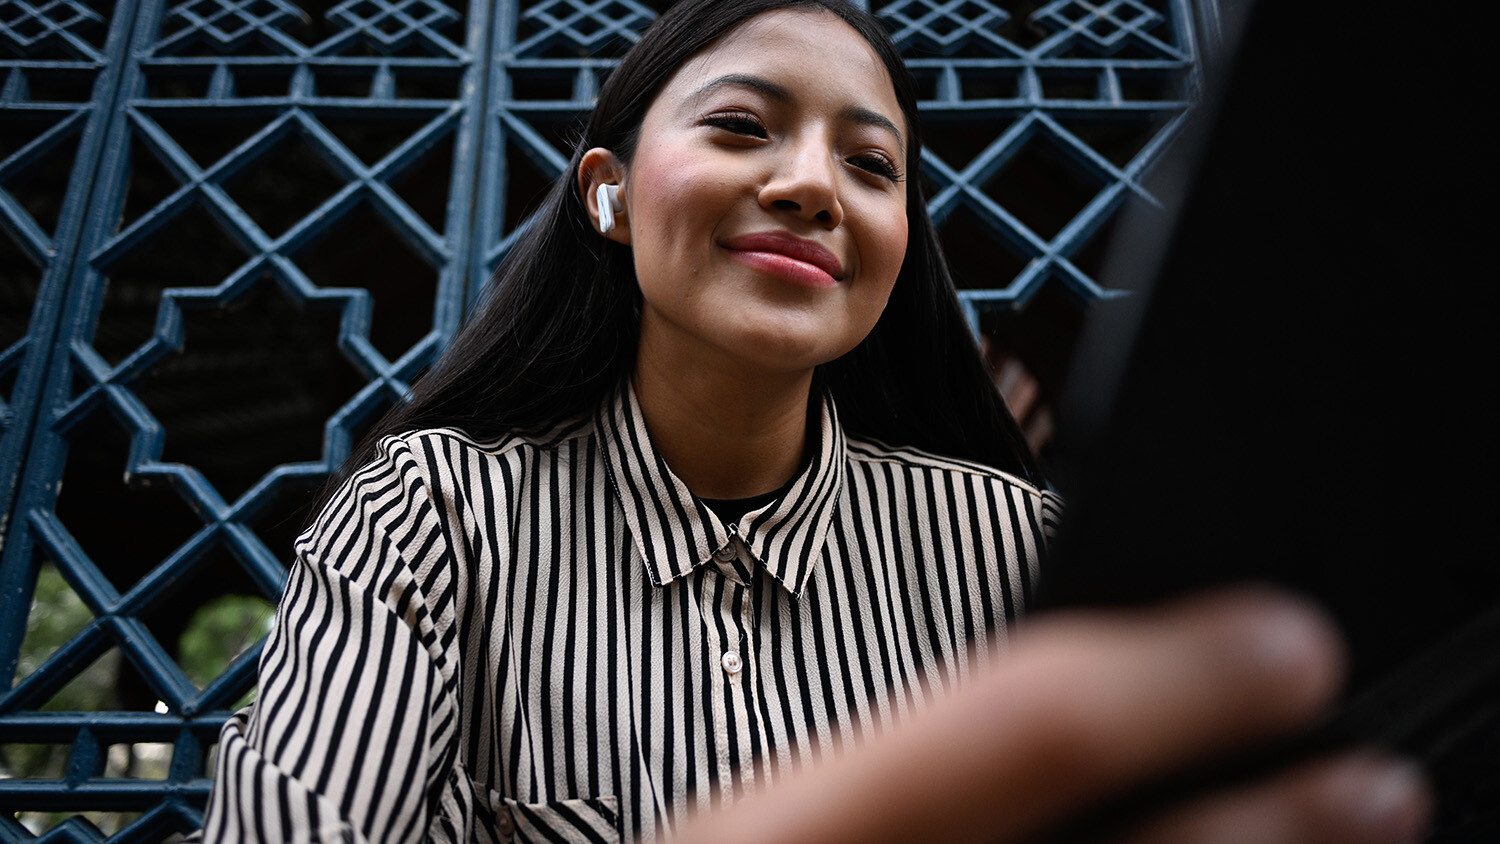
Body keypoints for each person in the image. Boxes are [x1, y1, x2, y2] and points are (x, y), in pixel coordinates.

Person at [194, 1, 1432, 842]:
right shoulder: (435, 511)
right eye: (741, 126)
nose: (809, 186)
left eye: (873, 166)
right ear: (609, 194)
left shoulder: (1008, 546)